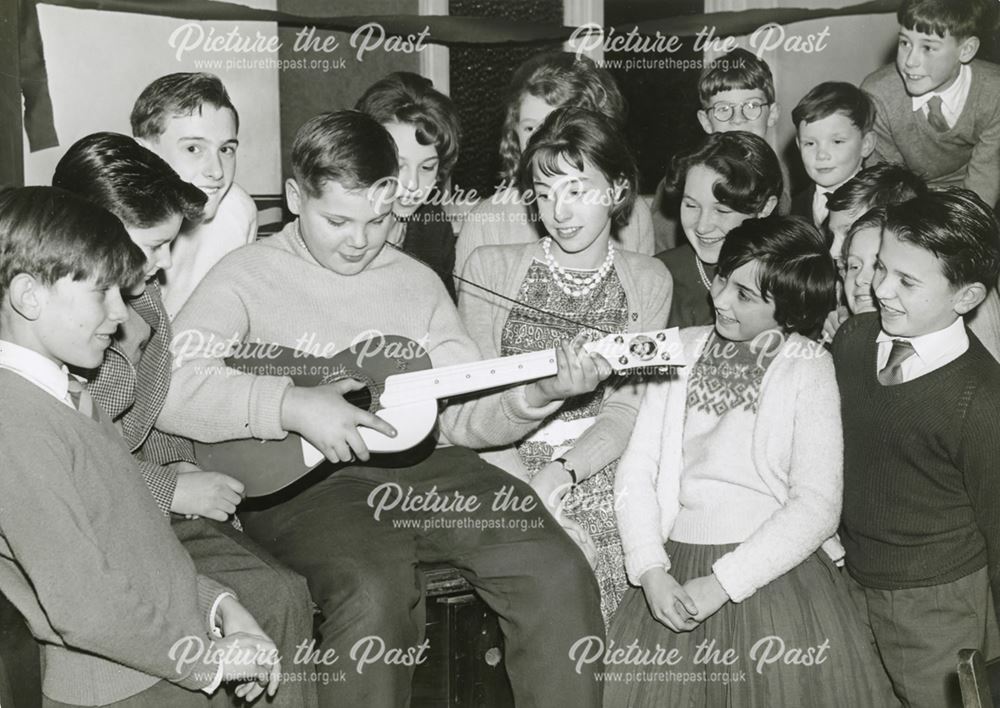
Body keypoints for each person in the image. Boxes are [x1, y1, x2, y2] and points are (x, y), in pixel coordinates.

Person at [157, 110, 606, 708]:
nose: (361, 241)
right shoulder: (243, 275)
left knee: (556, 569)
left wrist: (535, 397)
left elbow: (464, 416)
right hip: (301, 487)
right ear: (295, 197)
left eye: (379, 218)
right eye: (337, 220)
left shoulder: (418, 283)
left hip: (428, 468)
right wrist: (289, 405)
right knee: (371, 592)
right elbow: (171, 388)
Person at [51, 132, 318, 708]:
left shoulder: (145, 305)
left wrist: (200, 464)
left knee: (282, 593)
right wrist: (173, 490)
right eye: (155, 245)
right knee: (249, 599)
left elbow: (153, 419)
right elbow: (74, 469)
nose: (168, 263)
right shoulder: (59, 333)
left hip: (148, 500)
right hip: (101, 523)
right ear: (91, 239)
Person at [0, 187, 281, 708]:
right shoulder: (13, 425)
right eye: (102, 292)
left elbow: (137, 546)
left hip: (166, 670)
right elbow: (84, 604)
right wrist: (208, 661)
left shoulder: (72, 392)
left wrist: (216, 604)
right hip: (121, 691)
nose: (121, 314)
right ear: (28, 296)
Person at [605, 216, 894, 707]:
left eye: (745, 295)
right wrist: (649, 568)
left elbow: (817, 505)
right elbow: (636, 470)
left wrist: (724, 583)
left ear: (787, 309)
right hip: (674, 568)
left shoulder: (810, 367)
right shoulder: (677, 348)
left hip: (770, 578)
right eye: (723, 279)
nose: (720, 299)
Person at [458, 107, 672, 623]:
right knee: (555, 558)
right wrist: (530, 487)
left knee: (628, 536)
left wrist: (560, 476)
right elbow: (470, 413)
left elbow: (624, 413)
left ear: (618, 190)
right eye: (545, 191)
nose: (559, 211)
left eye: (577, 189)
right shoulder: (489, 266)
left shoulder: (650, 280)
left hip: (599, 460)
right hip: (502, 460)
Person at [833, 187, 1000, 708]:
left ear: (966, 297)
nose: (880, 288)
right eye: (881, 268)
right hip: (850, 582)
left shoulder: (980, 399)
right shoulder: (854, 341)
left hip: (938, 607)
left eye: (906, 281)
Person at [455, 51, 655, 281]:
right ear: (514, 132)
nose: (544, 143)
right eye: (531, 129)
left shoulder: (634, 216)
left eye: (560, 127)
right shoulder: (485, 224)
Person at [131, 73, 258, 318]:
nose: (217, 171)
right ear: (143, 152)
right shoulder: (109, 208)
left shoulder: (233, 211)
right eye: (193, 148)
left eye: (226, 149)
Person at [862, 0, 1000, 208]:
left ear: (966, 50)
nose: (910, 61)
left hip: (972, 196)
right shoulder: (878, 95)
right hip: (908, 201)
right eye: (905, 43)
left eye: (928, 47)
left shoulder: (993, 92)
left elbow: (985, 181)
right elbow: (890, 185)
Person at [651, 47, 790, 250]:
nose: (738, 119)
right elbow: (665, 251)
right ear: (706, 121)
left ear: (773, 114)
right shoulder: (686, 179)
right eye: (723, 109)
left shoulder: (781, 175)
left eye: (751, 106)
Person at [655, 132, 781, 328]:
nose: (702, 226)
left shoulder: (789, 276)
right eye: (691, 205)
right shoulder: (658, 274)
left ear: (765, 208)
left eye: (722, 210)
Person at [356, 72, 461, 301]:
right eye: (398, 165)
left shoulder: (433, 230)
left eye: (426, 168)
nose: (413, 185)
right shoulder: (337, 229)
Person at [789, 81, 877, 229]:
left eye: (837, 141)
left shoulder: (880, 205)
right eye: (810, 143)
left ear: (866, 144)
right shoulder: (790, 208)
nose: (821, 155)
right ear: (799, 145)